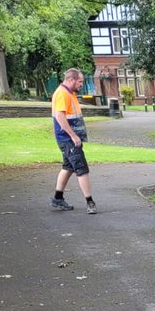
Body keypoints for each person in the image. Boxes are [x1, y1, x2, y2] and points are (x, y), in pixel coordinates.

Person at [50, 68, 97, 213]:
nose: (82, 84)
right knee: (81, 169)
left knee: (68, 167)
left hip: (68, 139)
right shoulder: (62, 94)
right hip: (68, 139)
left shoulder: (68, 93)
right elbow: (60, 117)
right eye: (80, 81)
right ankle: (90, 202)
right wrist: (73, 136)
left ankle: (57, 198)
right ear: (71, 80)